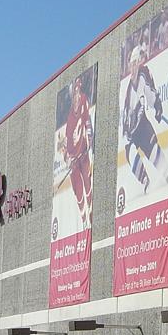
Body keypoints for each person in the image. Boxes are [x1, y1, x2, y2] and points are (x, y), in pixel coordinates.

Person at [122, 49, 168, 193]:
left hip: (142, 125)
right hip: (131, 131)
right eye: (131, 64)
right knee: (130, 153)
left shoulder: (143, 73)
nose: (133, 67)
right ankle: (145, 181)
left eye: (135, 62)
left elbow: (151, 93)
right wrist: (127, 131)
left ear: (138, 62)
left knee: (153, 149)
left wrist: (157, 107)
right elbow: (126, 116)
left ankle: (167, 172)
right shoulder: (128, 90)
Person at [62, 76, 94, 226]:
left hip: (84, 153)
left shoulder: (84, 100)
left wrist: (90, 137)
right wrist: (69, 159)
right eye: (75, 93)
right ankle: (84, 220)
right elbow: (66, 150)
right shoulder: (69, 121)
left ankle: (91, 214)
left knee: (88, 182)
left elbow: (87, 120)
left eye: (79, 91)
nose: (78, 96)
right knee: (79, 191)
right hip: (74, 160)